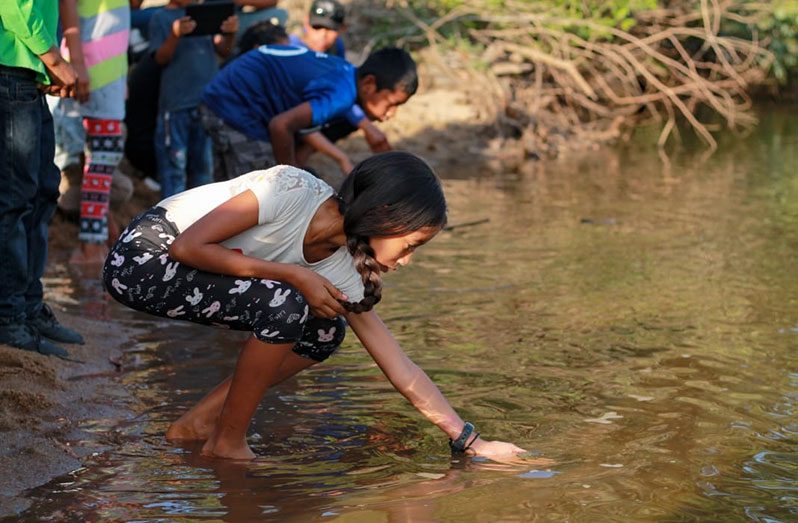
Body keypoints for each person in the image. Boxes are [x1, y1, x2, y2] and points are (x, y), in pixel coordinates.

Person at [103, 151, 526, 461]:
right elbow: (187, 246)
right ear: (383, 215)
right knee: (286, 303)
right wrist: (294, 274)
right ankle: (227, 441)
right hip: (143, 258)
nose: (408, 260)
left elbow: (399, 365)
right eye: (411, 244)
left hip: (194, 274)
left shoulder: (347, 271)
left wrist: (469, 440)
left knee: (325, 332)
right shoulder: (291, 189)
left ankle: (197, 424)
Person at [0, 0, 85, 357]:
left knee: (44, 192)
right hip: (12, 68)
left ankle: (30, 309)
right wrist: (55, 59)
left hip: (28, 72)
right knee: (14, 202)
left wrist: (48, 63)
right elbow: (14, 5)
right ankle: (9, 318)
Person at [201, 45, 415, 181]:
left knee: (228, 189)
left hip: (222, 97)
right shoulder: (340, 96)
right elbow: (280, 126)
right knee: (261, 189)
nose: (391, 114)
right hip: (237, 106)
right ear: (369, 84)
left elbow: (301, 127)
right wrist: (290, 176)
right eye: (391, 104)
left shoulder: (345, 72)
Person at [58, 0, 130, 264]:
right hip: (93, 67)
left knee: (101, 160)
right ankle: (90, 247)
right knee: (102, 159)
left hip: (110, 70)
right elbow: (68, 3)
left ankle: (97, 235)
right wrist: (76, 63)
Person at [288, 0, 393, 172]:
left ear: (342, 29)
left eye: (330, 30)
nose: (323, 35)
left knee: (346, 112)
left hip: (309, 113)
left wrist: (366, 125)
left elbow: (341, 90)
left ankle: (300, 159)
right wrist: (341, 158)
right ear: (306, 23)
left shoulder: (336, 48)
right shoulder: (292, 49)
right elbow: (296, 117)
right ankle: (292, 163)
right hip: (287, 114)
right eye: (317, 27)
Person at [149, 0, 238, 197]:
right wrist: (175, 34)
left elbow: (224, 50)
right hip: (175, 105)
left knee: (204, 171)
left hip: (206, 105)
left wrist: (230, 32)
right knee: (174, 169)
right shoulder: (161, 17)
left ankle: (201, 223)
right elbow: (160, 58)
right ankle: (171, 221)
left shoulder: (204, 12)